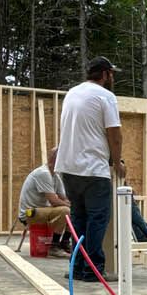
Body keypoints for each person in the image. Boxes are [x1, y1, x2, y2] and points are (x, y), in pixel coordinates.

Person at [55, 57, 124, 281]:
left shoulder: (72, 93)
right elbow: (114, 134)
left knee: (79, 219)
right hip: (93, 169)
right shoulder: (106, 96)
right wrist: (116, 162)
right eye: (111, 74)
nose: (112, 78)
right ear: (104, 74)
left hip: (68, 168)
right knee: (97, 219)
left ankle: (76, 269)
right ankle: (94, 271)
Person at [17, 149, 71, 252]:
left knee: (72, 210)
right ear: (55, 160)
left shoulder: (55, 176)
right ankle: (54, 246)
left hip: (42, 210)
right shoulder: (43, 173)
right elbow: (54, 201)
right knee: (66, 211)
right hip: (29, 213)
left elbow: (64, 198)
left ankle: (64, 242)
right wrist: (69, 205)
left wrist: (72, 205)